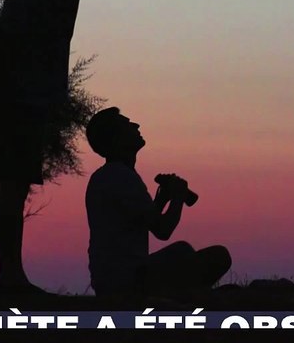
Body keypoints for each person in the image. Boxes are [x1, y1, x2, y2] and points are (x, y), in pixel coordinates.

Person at [0, 0, 204, 291]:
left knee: (15, 186)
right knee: (13, 188)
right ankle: (12, 279)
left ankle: (12, 277)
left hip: (18, 101)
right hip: (16, 102)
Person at [84, 107, 231, 297]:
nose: (135, 125)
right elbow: (163, 230)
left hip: (113, 279)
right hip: (127, 281)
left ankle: (183, 296)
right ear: (116, 139)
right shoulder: (120, 176)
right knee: (219, 256)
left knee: (182, 250)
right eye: (126, 124)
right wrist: (177, 197)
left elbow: (146, 220)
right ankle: (184, 299)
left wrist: (162, 199)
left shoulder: (112, 175)